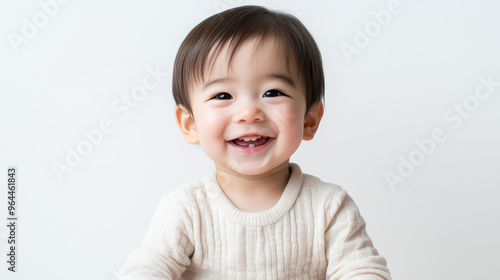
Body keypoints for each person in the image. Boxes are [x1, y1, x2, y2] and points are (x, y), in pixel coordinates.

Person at [117, 5, 392, 280]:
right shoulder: (187, 210)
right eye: (223, 95)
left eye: (272, 92)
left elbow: (362, 269)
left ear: (309, 119)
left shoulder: (328, 207)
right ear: (190, 125)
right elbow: (146, 269)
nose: (248, 112)